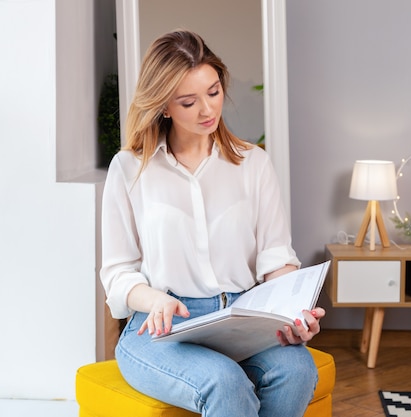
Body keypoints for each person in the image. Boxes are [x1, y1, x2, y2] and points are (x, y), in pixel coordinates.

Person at [100, 29, 324, 417]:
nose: (208, 110)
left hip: (242, 317)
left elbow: (276, 256)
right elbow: (118, 272)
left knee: (298, 370)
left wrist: (294, 311)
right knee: (223, 381)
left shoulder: (253, 163)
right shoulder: (130, 169)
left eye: (214, 92)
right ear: (164, 106)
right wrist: (155, 299)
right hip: (161, 328)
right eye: (189, 101)